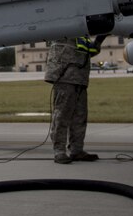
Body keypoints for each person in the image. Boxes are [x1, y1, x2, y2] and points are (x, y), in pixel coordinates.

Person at [44, 35, 106, 164]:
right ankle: (59, 151)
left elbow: (90, 51)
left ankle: (77, 150)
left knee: (80, 116)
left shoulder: (83, 36)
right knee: (62, 115)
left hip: (80, 79)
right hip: (65, 76)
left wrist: (100, 39)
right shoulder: (64, 31)